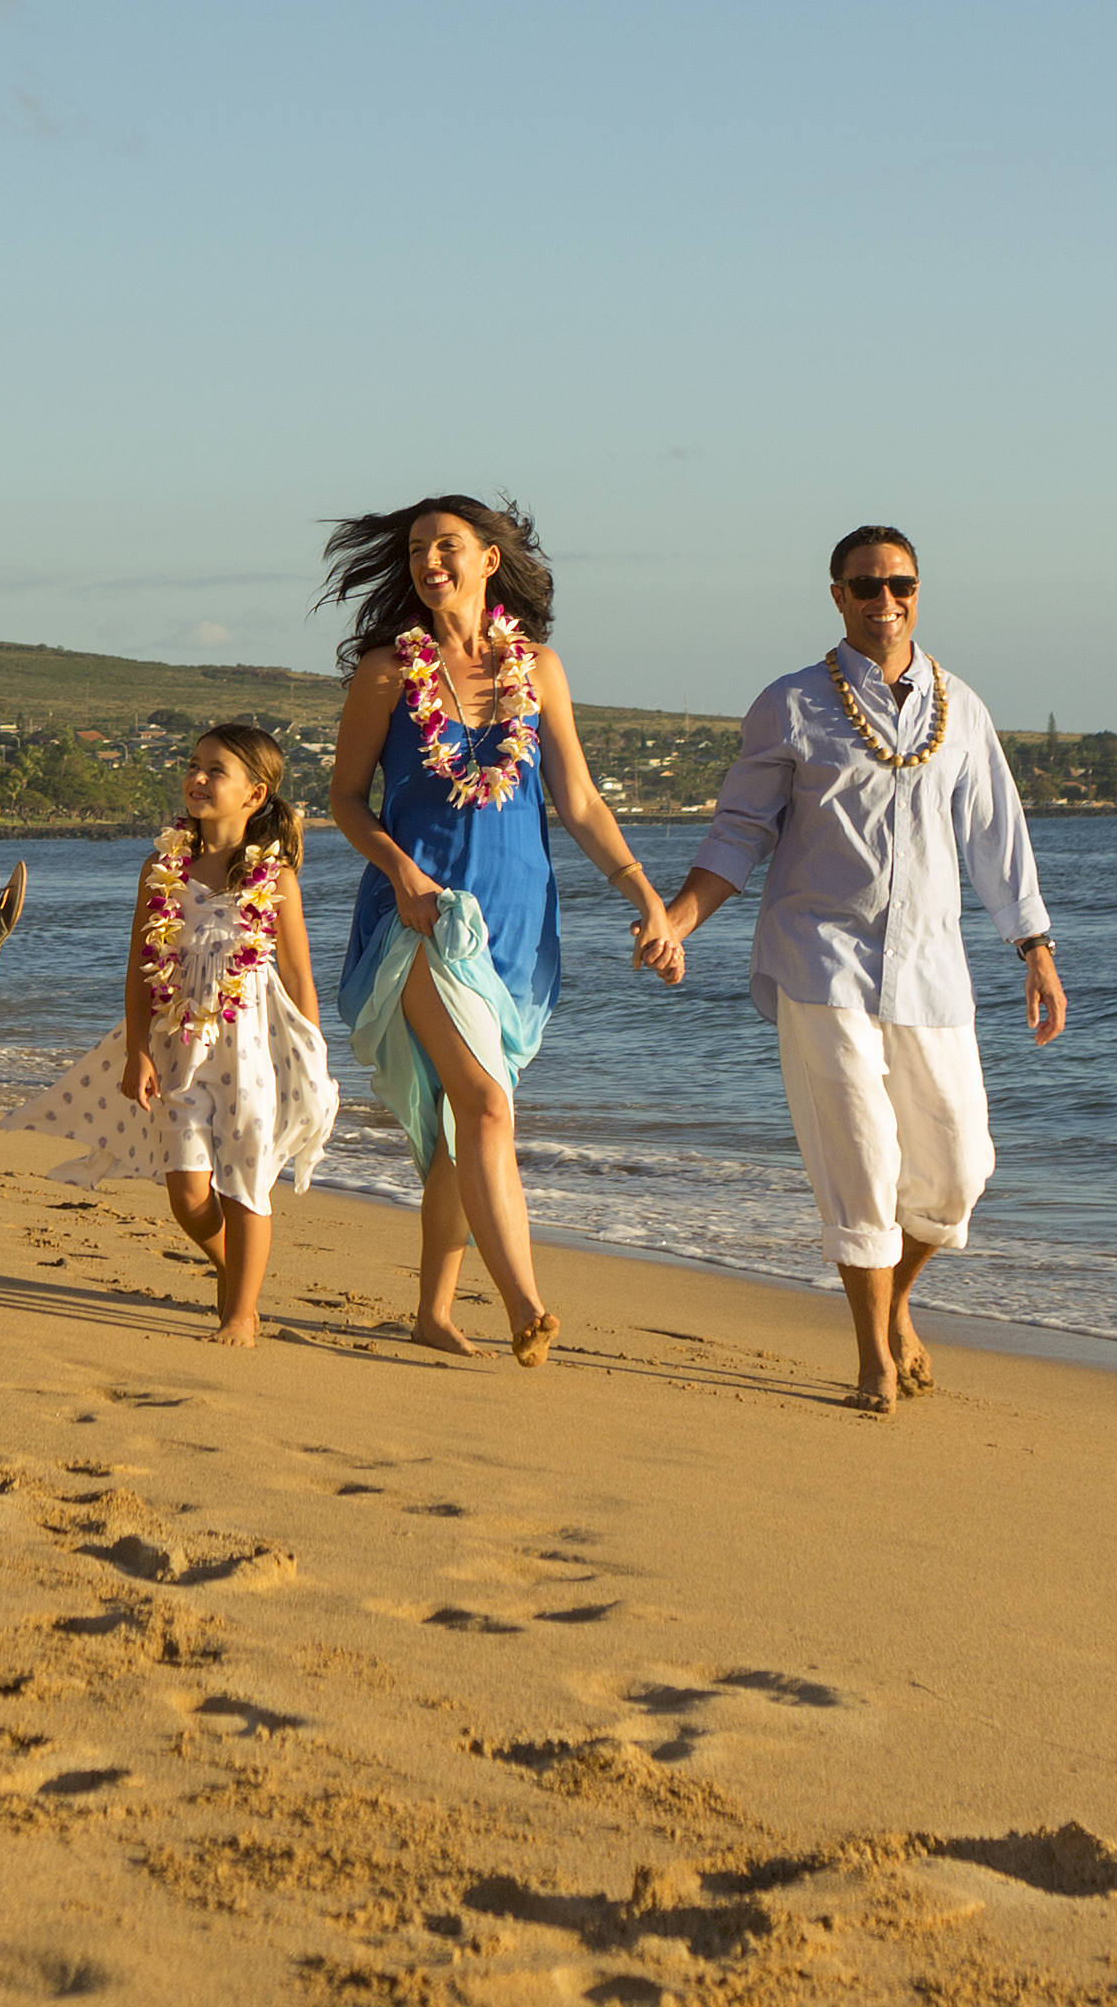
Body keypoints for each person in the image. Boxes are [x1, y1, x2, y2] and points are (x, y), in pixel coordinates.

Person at [657, 525, 1065, 1414]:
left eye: (901, 585)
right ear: (836, 595)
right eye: (866, 586)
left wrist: (1034, 951)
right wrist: (681, 919)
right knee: (863, 1163)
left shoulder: (963, 707)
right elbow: (741, 830)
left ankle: (900, 1301)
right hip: (821, 963)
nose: (887, 601)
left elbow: (998, 839)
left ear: (921, 590)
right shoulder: (791, 704)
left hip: (933, 973)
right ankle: (871, 1354)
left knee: (959, 1171)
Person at [320, 495, 686, 1369]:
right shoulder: (387, 672)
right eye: (415, 550)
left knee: (462, 1119)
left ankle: (432, 1311)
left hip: (518, 925)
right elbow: (343, 798)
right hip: (423, 916)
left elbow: (581, 803)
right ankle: (526, 1304)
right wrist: (400, 870)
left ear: (491, 559)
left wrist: (645, 896)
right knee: (487, 1107)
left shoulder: (540, 671)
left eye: (446, 546)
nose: (427, 562)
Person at [25, 725, 336, 1342]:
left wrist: (310, 1058)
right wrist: (138, 1050)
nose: (197, 777)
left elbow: (300, 976)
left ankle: (241, 1315)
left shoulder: (277, 881)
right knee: (187, 1192)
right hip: (177, 1047)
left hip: (253, 1051)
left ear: (255, 793)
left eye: (215, 770)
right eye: (194, 765)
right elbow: (141, 967)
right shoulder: (163, 868)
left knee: (247, 1177)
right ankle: (232, 1267)